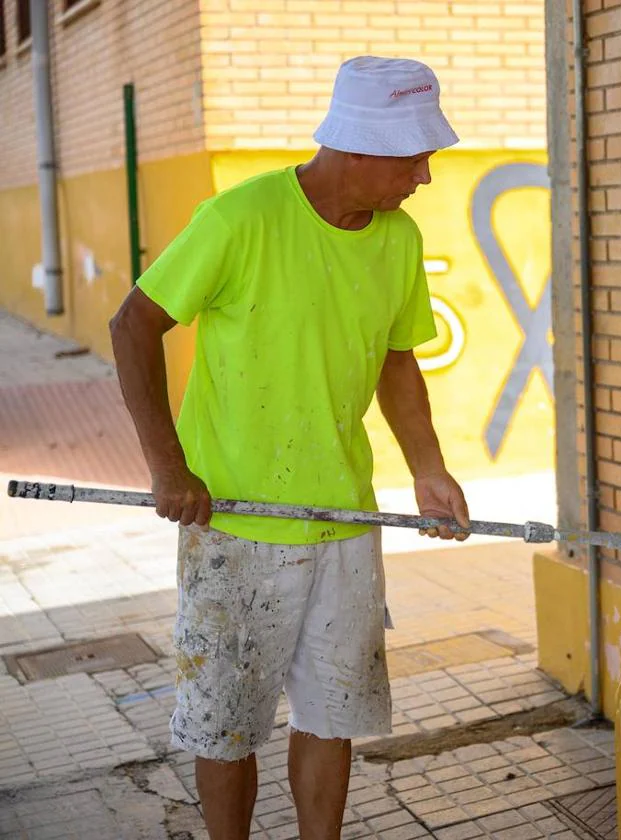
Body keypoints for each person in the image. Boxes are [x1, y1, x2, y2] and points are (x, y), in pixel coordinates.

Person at [108, 56, 469, 840]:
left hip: (344, 521)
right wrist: (169, 468)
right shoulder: (239, 219)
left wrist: (429, 469)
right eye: (415, 159)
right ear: (362, 148)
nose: (424, 177)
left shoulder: (397, 240)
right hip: (237, 523)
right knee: (225, 723)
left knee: (331, 716)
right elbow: (133, 325)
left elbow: (396, 358)